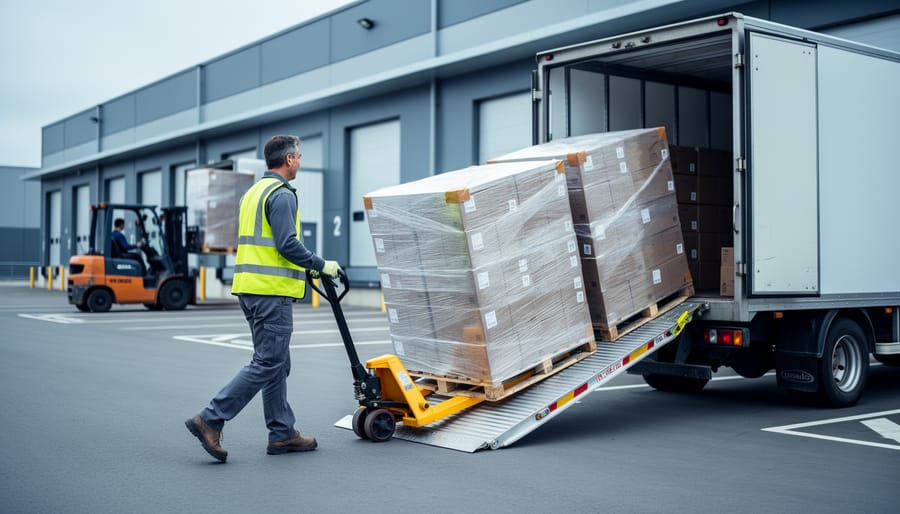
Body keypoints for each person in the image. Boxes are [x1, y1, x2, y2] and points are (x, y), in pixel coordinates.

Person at [185, 135, 341, 463]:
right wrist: (320, 265)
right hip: (271, 292)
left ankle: (282, 433)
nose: (299, 160)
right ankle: (210, 419)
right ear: (288, 160)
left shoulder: (254, 192)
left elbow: (267, 243)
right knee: (269, 361)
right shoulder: (282, 195)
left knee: (277, 363)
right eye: (298, 156)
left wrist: (306, 271)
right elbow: (286, 243)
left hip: (251, 288)